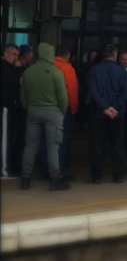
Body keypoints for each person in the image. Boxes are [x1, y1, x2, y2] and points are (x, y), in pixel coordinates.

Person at [19, 43, 69, 191]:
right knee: (53, 146)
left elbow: (23, 97)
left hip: (33, 112)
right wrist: (62, 112)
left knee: (30, 145)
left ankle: (25, 179)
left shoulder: (28, 72)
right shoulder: (56, 72)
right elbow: (63, 97)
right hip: (53, 112)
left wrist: (30, 108)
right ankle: (55, 180)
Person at [87, 45, 127, 184]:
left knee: (97, 145)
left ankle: (96, 176)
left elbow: (93, 91)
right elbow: (126, 93)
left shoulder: (94, 70)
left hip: (98, 113)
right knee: (118, 145)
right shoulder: (122, 72)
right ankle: (118, 175)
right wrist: (114, 107)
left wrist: (104, 108)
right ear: (115, 57)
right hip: (118, 114)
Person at [36, 46, 79, 181]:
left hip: (42, 107)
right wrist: (73, 107)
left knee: (45, 139)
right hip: (62, 109)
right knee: (60, 141)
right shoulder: (67, 68)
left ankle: (44, 170)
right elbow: (71, 91)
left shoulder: (42, 67)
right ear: (68, 55)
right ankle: (58, 172)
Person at [1, 44, 22, 179]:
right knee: (5, 138)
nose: (16, 58)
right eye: (14, 54)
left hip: (7, 105)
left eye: (17, 55)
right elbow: (13, 82)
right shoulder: (4, 66)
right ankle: (4, 170)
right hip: (5, 105)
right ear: (6, 53)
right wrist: (18, 69)